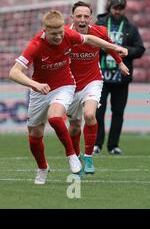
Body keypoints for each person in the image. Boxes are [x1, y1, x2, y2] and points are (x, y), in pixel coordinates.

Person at [9, 10, 127, 184]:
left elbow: (90, 40)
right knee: (35, 135)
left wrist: (113, 47)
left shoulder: (68, 34)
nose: (58, 37)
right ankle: (42, 168)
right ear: (44, 30)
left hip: (65, 85)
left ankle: (72, 155)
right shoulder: (36, 45)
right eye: (54, 34)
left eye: (60, 32)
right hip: (40, 89)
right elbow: (14, 72)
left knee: (55, 117)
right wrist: (35, 85)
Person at [66, 1, 129, 174]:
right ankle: (76, 156)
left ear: (91, 18)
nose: (82, 19)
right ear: (72, 17)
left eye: (86, 16)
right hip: (70, 84)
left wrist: (120, 63)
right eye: (79, 16)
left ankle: (88, 157)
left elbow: (109, 46)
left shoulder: (100, 31)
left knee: (90, 114)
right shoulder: (65, 33)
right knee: (74, 126)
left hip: (92, 80)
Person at [94, 0, 145, 155]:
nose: (118, 11)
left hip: (121, 78)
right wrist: (103, 48)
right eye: (115, 8)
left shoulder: (130, 27)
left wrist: (126, 51)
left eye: (121, 8)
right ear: (109, 7)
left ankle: (113, 145)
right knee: (98, 112)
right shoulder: (99, 24)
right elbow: (89, 44)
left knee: (118, 112)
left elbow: (140, 49)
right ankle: (96, 144)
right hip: (100, 77)